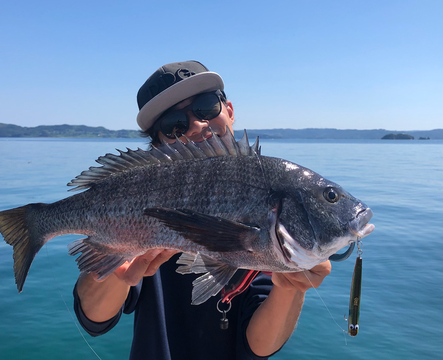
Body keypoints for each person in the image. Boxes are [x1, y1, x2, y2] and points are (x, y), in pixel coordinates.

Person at [73, 61, 332, 360]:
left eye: (207, 107)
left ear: (229, 110)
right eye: (173, 125)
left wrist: (290, 287)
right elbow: (95, 318)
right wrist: (115, 274)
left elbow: (259, 347)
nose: (197, 125)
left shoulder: (268, 205)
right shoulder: (137, 197)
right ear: (159, 145)